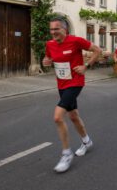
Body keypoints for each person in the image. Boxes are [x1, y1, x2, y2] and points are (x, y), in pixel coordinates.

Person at [43, 17, 102, 173]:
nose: (53, 32)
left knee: (57, 117)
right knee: (73, 116)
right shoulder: (49, 44)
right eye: (51, 29)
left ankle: (66, 154)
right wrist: (46, 61)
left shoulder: (76, 41)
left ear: (64, 29)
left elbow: (97, 50)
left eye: (56, 29)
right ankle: (86, 141)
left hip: (75, 83)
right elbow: (48, 58)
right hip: (61, 84)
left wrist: (86, 66)